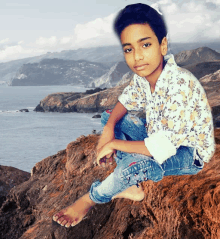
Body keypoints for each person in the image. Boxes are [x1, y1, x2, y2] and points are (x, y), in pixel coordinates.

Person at [53, 3, 216, 228]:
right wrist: (109, 129)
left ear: (163, 45)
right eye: (129, 49)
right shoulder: (144, 76)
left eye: (145, 44)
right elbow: (125, 101)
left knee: (137, 165)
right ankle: (129, 185)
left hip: (188, 153)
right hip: (155, 136)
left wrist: (113, 144)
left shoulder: (180, 85)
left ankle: (91, 198)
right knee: (109, 115)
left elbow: (161, 148)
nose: (137, 57)